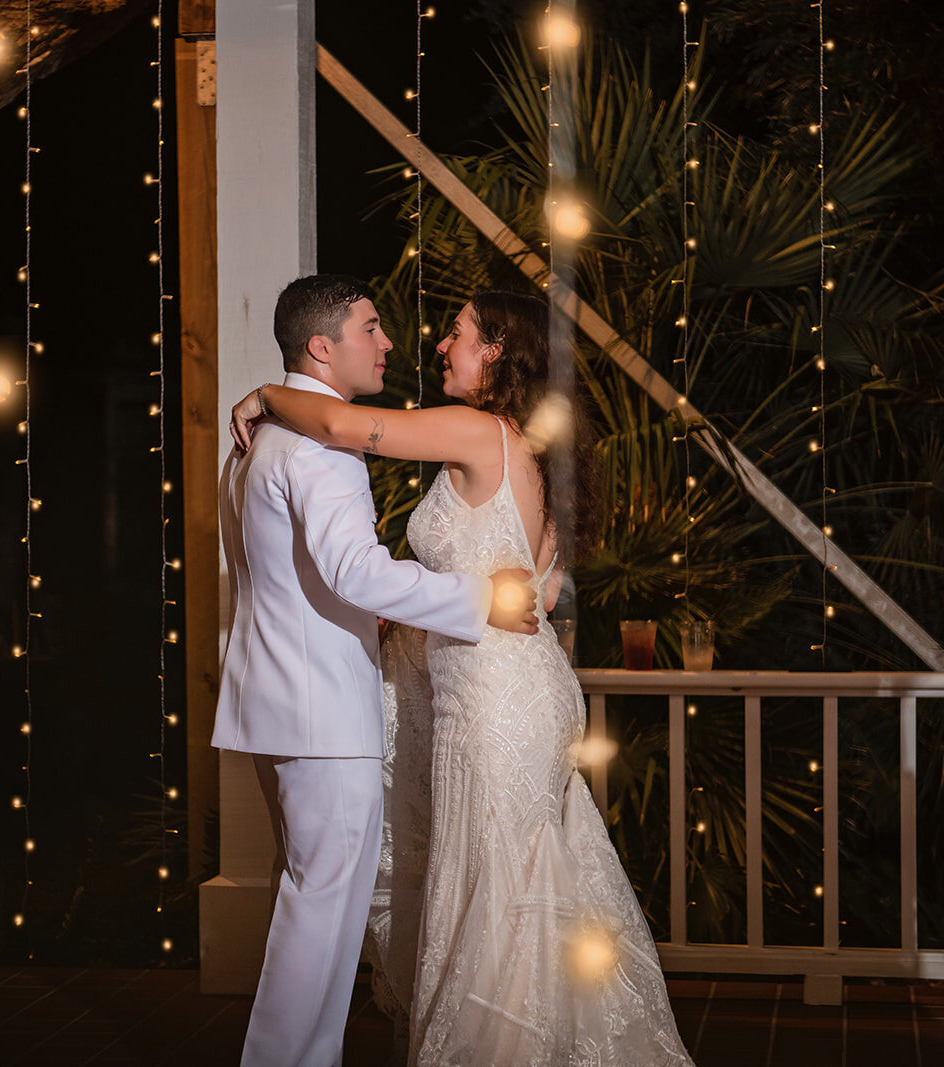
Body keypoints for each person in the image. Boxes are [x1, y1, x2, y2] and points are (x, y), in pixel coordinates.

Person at [231, 289, 693, 1065]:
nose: (440, 345)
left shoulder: (478, 430)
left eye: (460, 335)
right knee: (512, 886)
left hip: (493, 700)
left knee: (498, 895)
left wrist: (266, 393)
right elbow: (540, 592)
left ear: (499, 355)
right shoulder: (527, 448)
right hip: (510, 687)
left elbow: (345, 426)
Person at [214, 274, 540, 1067]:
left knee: (310, 906)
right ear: (323, 348)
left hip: (277, 698)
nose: (389, 342)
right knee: (319, 919)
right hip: (323, 711)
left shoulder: (253, 446)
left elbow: (300, 577)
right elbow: (355, 572)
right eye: (371, 327)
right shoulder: (320, 447)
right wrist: (479, 600)